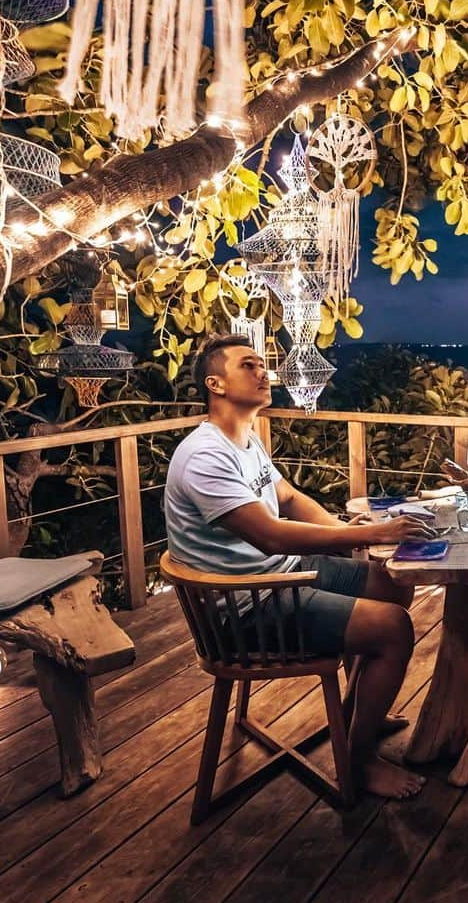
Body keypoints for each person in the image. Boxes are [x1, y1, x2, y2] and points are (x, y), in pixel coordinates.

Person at [164, 334, 433, 800]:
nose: (265, 372)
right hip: (246, 610)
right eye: (249, 365)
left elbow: (287, 497)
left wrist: (346, 533)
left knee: (391, 584)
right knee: (394, 628)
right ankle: (360, 759)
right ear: (216, 383)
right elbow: (269, 532)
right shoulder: (205, 456)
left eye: (263, 364)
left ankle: (359, 709)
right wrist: (368, 534)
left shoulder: (246, 441)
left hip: (277, 574)